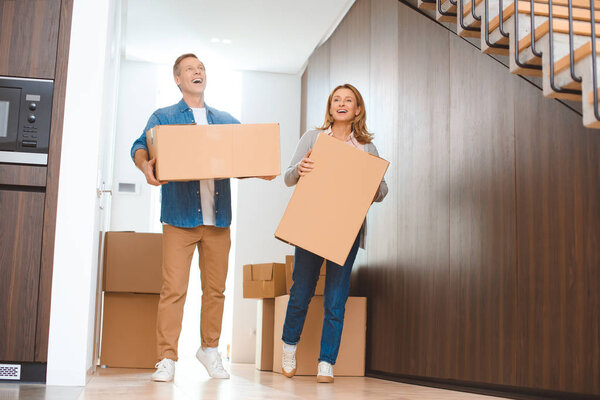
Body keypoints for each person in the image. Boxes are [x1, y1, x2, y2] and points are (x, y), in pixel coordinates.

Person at [131, 53, 252, 382]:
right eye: (189, 69)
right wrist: (146, 167)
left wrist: (261, 168)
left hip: (218, 220)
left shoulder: (224, 119)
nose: (197, 72)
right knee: (174, 290)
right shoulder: (165, 116)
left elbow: (248, 150)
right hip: (179, 218)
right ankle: (166, 358)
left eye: (200, 68)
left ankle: (209, 350)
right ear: (178, 79)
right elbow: (140, 146)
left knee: (215, 290)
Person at [280, 83, 388, 383]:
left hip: (346, 230)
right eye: (336, 100)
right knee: (301, 291)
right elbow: (288, 177)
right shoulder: (313, 138)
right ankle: (289, 346)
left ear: (357, 109)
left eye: (348, 100)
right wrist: (301, 167)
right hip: (311, 224)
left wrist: (368, 179)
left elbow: (382, 190)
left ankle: (327, 361)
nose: (342, 104)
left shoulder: (366, 148)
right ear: (330, 108)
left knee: (336, 298)